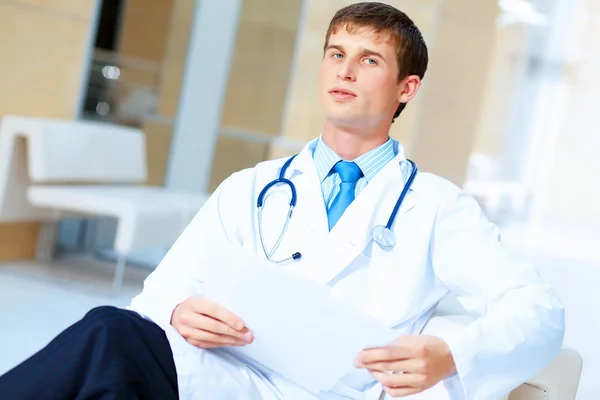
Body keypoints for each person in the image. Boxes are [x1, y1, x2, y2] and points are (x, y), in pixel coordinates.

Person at [0, 2, 564, 400]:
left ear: (405, 89)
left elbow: (540, 312)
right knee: (111, 335)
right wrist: (177, 310)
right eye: (336, 53)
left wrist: (451, 353)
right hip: (227, 376)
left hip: (338, 394)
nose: (344, 69)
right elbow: (165, 287)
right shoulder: (252, 186)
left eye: (369, 60)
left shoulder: (437, 207)